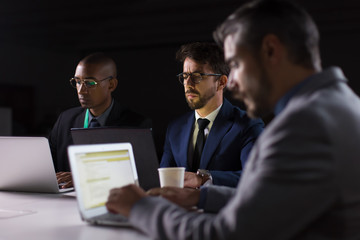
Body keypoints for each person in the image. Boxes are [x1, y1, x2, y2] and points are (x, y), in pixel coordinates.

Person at [105, 0, 360, 239]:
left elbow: (226, 235)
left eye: (236, 63)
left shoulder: (304, 127)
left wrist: (140, 207)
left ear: (271, 50)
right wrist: (200, 199)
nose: (233, 81)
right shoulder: (341, 105)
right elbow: (267, 202)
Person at [160, 42, 264, 188]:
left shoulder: (248, 125)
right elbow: (164, 181)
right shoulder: (175, 129)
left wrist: (204, 179)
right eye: (184, 76)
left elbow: (256, 176)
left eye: (197, 76)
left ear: (221, 82)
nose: (188, 83)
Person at [49, 52, 151, 187]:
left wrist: (84, 177)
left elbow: (141, 177)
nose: (81, 90)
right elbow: (48, 167)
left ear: (111, 85)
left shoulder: (136, 125)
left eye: (90, 83)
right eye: (78, 82)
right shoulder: (65, 120)